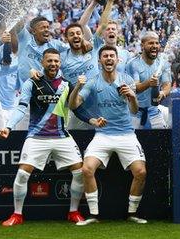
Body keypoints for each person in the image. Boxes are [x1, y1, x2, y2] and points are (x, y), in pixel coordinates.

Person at [0, 48, 87, 226]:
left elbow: (76, 108)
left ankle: (73, 212)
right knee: (22, 174)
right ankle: (17, 215)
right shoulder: (31, 83)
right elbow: (21, 107)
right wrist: (8, 126)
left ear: (60, 63)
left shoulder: (67, 85)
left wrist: (92, 119)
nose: (53, 64)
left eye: (56, 61)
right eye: (49, 61)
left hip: (62, 136)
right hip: (37, 137)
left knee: (79, 172)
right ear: (43, 63)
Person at [68, 45, 147, 225]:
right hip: (102, 135)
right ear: (100, 61)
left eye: (112, 56)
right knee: (86, 169)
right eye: (105, 56)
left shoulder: (126, 79)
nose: (109, 58)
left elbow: (134, 111)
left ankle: (132, 214)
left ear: (117, 60)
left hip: (126, 135)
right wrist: (77, 87)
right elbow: (74, 105)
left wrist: (132, 96)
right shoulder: (93, 81)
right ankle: (94, 215)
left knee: (141, 172)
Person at [127, 31, 172, 129]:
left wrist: (163, 93)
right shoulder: (133, 64)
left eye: (157, 43)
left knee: (161, 137)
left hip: (154, 110)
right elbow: (134, 89)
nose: (155, 46)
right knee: (131, 140)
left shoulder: (163, 63)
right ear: (142, 45)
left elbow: (167, 84)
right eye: (151, 43)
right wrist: (149, 83)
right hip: (135, 112)